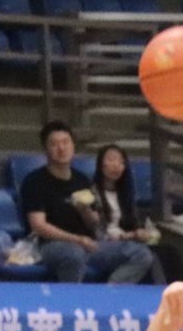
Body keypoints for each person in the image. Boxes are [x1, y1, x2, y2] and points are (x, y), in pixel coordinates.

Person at [17, 121, 156, 285]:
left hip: (87, 243)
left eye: (65, 142)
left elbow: (94, 224)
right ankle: (72, 299)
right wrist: (77, 240)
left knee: (141, 254)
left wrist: (85, 212)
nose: (61, 148)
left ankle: (109, 294)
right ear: (46, 149)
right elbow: (38, 226)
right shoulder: (35, 181)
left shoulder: (82, 180)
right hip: (51, 245)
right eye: (54, 144)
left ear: (73, 146)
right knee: (74, 255)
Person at [93, 143, 177, 285]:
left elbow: (133, 224)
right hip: (102, 243)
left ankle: (170, 291)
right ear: (100, 164)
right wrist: (129, 236)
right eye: (111, 159)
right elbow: (98, 230)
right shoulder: (92, 193)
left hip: (126, 242)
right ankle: (113, 288)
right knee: (143, 255)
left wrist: (142, 234)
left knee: (168, 252)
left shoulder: (125, 195)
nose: (116, 165)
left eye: (121, 162)